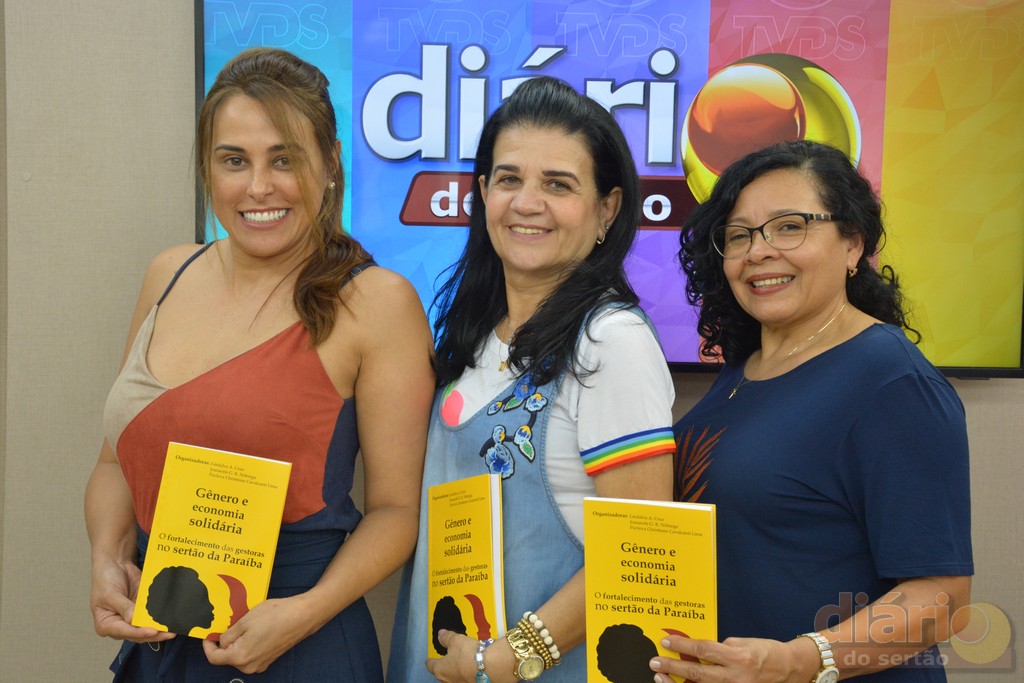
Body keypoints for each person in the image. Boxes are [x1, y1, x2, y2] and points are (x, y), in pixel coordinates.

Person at [85, 47, 434, 681]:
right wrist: (107, 559)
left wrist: (302, 614)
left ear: (330, 163)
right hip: (159, 642)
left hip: (299, 644)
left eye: (284, 159)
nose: (258, 188)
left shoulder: (378, 304)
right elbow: (114, 462)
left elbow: (396, 512)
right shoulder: (167, 273)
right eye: (234, 161)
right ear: (207, 168)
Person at [387, 76, 676, 682]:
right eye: (509, 179)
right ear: (483, 193)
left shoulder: (611, 342)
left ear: (607, 209)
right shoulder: (472, 333)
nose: (526, 203)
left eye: (558, 184)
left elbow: (641, 553)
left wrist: (508, 658)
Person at [652, 140, 973, 683]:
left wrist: (797, 661)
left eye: (789, 227)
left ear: (853, 244)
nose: (758, 251)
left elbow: (942, 600)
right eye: (739, 235)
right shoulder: (747, 366)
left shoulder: (892, 382)